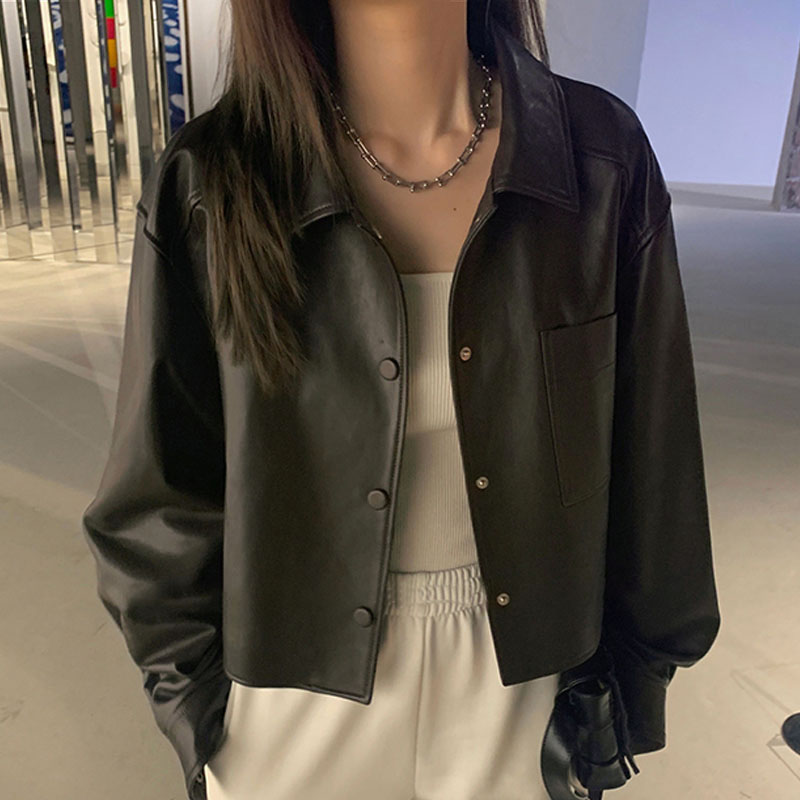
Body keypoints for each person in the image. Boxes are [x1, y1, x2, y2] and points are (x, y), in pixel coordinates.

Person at [81, 1, 721, 799]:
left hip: (527, 691)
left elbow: (657, 464)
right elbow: (156, 496)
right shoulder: (216, 177)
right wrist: (202, 711)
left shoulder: (597, 158)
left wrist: (629, 689)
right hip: (287, 702)